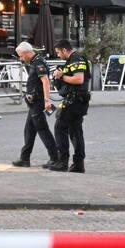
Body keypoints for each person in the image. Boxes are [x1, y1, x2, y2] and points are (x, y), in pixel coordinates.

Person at [11, 41, 60, 168]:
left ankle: (55, 158)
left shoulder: (38, 62)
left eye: (21, 56)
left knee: (43, 130)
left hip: (38, 102)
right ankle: (25, 158)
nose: (21, 59)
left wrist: (47, 100)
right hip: (34, 103)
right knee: (29, 130)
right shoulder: (34, 61)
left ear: (28, 52)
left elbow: (46, 81)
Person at [49, 39, 91, 173]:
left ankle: (63, 162)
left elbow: (79, 79)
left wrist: (61, 76)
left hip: (75, 101)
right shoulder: (72, 60)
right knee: (75, 131)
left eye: (58, 53)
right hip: (77, 100)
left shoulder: (76, 59)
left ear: (65, 50)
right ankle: (78, 164)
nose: (58, 55)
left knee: (60, 127)